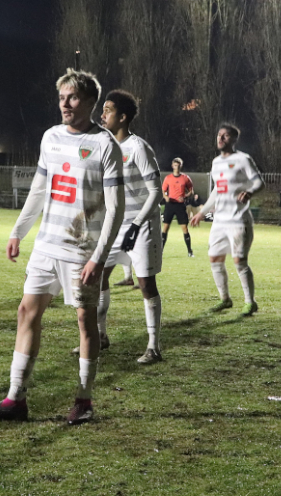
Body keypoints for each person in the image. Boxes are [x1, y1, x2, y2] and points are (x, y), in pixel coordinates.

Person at [0, 68, 124, 424]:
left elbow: (117, 209)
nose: (65, 104)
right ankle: (15, 399)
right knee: (27, 312)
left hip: (81, 251)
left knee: (86, 324)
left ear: (90, 101)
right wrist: (18, 232)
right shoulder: (50, 137)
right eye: (61, 98)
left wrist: (99, 258)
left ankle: (84, 401)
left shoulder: (105, 145)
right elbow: (39, 190)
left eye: (72, 98)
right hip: (46, 246)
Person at [95, 89, 164, 363]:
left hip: (142, 225)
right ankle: (100, 337)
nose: (103, 114)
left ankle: (153, 348)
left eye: (108, 110)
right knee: (98, 277)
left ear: (122, 117)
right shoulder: (103, 146)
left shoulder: (139, 148)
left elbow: (156, 192)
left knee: (146, 285)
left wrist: (136, 224)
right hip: (113, 225)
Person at [191, 123, 264, 316]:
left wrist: (249, 191)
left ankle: (250, 302)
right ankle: (225, 299)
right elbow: (217, 190)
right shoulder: (216, 163)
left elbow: (258, 181)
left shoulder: (242, 159)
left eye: (225, 136)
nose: (220, 138)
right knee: (215, 258)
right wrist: (202, 212)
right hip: (220, 221)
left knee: (239, 261)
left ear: (233, 139)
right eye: (219, 135)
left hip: (238, 219)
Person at [161, 158, 195, 257]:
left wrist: (185, 196)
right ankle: (161, 251)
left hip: (180, 206)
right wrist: (166, 197)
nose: (177, 167)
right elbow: (163, 191)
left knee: (185, 228)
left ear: (181, 166)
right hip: (170, 205)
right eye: (175, 165)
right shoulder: (168, 178)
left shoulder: (185, 178)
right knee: (165, 228)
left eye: (178, 165)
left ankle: (189, 251)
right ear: (172, 166)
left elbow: (191, 191)